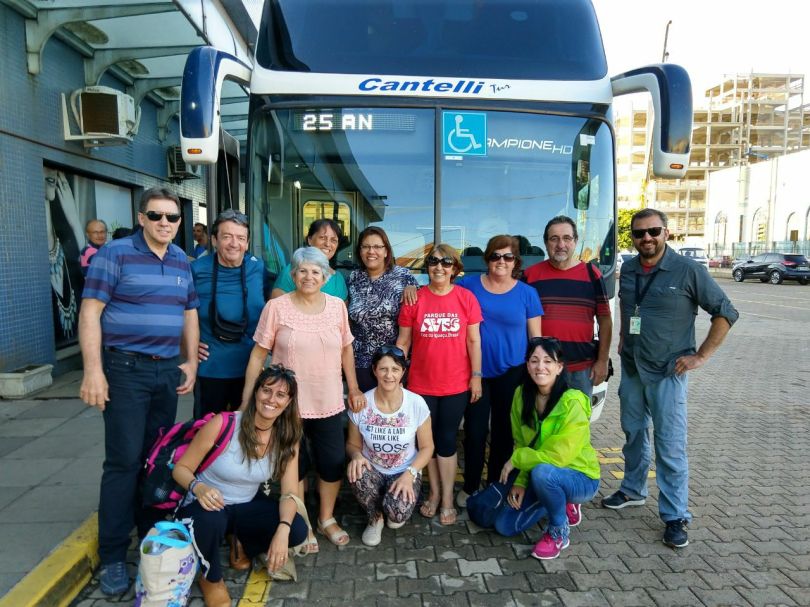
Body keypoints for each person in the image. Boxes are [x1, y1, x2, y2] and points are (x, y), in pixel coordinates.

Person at [79, 187, 199, 596]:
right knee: (123, 462)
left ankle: (149, 537)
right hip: (125, 370)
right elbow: (90, 312)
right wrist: (93, 371)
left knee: (155, 458)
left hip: (165, 372)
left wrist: (191, 361)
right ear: (141, 217)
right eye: (157, 215)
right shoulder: (114, 254)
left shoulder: (181, 259)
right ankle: (114, 555)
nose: (165, 223)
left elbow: (189, 312)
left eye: (172, 217)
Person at [602, 208, 738, 549]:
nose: (646, 238)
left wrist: (700, 356)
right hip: (633, 368)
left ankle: (676, 515)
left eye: (653, 231)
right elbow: (629, 308)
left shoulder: (688, 270)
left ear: (666, 232)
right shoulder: (629, 269)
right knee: (634, 433)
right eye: (639, 233)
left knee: (669, 445)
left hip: (667, 371)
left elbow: (726, 312)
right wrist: (624, 339)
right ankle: (633, 490)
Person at [243, 246, 365, 550]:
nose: (308, 277)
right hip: (287, 404)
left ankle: (326, 518)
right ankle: (302, 522)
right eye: (302, 271)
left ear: (325, 277)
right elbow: (258, 355)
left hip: (328, 400)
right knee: (293, 464)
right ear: (293, 274)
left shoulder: (337, 307)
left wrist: (353, 388)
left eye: (315, 272)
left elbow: (346, 350)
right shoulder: (277, 307)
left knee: (332, 461)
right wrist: (248, 400)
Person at [173, 365, 309, 607]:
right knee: (210, 521)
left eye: (280, 395)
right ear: (256, 392)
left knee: (296, 529)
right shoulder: (224, 423)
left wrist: (283, 530)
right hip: (206, 503)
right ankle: (211, 578)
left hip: (245, 504)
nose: (271, 399)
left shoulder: (287, 438)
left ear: (288, 402)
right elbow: (180, 469)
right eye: (266, 390)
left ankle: (239, 538)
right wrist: (198, 487)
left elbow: (289, 493)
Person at [466, 337, 600, 561]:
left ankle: (558, 531)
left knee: (543, 474)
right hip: (540, 470)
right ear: (527, 365)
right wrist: (520, 482)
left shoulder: (573, 401)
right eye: (534, 360)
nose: (540, 367)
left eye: (548, 361)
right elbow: (522, 443)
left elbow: (558, 457)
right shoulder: (521, 395)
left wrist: (517, 460)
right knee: (504, 525)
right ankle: (553, 502)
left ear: (559, 367)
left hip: (580, 477)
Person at [453, 235, 543, 507]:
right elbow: (440, 288)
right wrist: (412, 287)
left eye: (507, 256)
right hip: (476, 373)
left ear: (516, 261)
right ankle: (470, 486)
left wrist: (537, 374)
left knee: (504, 433)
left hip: (512, 373)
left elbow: (536, 339)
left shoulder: (527, 293)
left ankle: (494, 485)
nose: (501, 261)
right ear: (486, 259)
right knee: (475, 431)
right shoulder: (468, 285)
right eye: (495, 256)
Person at [396, 244, 482, 526]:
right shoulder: (415, 299)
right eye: (433, 261)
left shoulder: (466, 298)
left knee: (446, 441)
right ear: (427, 266)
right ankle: (433, 494)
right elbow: (403, 342)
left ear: (455, 268)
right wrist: (394, 375)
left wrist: (476, 375)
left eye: (446, 263)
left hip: (455, 384)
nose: (439, 267)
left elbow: (473, 340)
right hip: (421, 385)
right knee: (426, 442)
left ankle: (447, 499)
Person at [346, 345, 434, 545]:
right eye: (383, 369)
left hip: (404, 470)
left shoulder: (416, 403)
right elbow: (352, 444)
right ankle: (375, 518)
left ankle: (390, 507)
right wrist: (356, 456)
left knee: (397, 514)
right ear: (374, 370)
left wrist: (410, 474)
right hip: (372, 469)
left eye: (395, 369)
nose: (389, 375)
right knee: (357, 473)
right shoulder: (362, 403)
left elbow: (427, 447)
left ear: (403, 372)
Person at [524, 216, 612, 398]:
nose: (560, 244)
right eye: (554, 239)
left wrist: (602, 361)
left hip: (581, 370)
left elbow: (605, 321)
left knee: (577, 417)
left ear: (575, 241)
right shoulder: (530, 276)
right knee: (541, 416)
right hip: (542, 369)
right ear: (545, 243)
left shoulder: (592, 274)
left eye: (567, 238)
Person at [192, 210, 266, 417]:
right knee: (207, 430)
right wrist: (187, 345)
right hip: (210, 368)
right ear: (214, 240)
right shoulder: (196, 269)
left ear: (247, 243)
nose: (234, 243)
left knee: (246, 430)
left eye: (241, 238)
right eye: (227, 236)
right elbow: (179, 311)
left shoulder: (258, 268)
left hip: (250, 369)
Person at [348, 226, 418, 391]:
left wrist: (413, 287)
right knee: (365, 405)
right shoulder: (353, 277)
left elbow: (415, 313)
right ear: (360, 251)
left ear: (386, 251)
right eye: (366, 246)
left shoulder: (403, 276)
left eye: (377, 247)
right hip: (360, 362)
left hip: (392, 363)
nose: (371, 251)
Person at [271, 219, 348, 301]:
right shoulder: (292, 271)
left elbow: (342, 308)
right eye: (322, 238)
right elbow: (278, 305)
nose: (327, 244)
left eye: (333, 240)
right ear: (310, 240)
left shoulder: (338, 279)